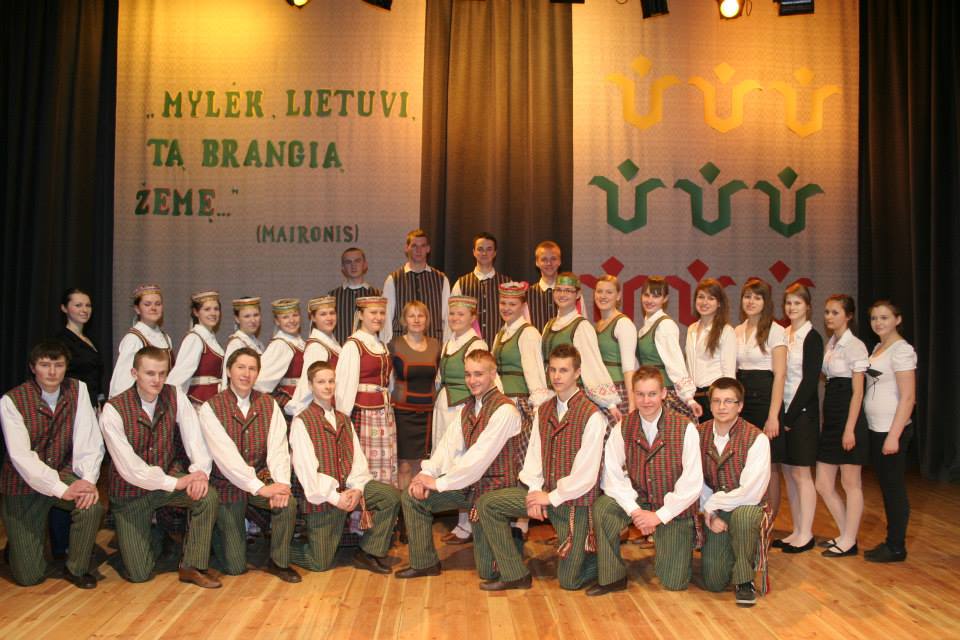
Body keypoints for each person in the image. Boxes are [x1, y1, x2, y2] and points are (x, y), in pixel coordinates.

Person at [477, 345, 606, 591]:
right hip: (544, 494)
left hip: (574, 503)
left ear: (577, 373)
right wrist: (535, 492)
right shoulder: (544, 409)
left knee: (569, 582)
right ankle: (514, 573)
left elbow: (586, 476)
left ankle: (597, 558)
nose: (556, 376)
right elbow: (534, 457)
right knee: (488, 504)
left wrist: (550, 497)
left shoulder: (592, 416)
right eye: (553, 369)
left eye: (564, 370)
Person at [395, 350, 524, 585]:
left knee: (487, 571)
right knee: (412, 497)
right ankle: (424, 562)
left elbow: (478, 458)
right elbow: (446, 447)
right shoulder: (467, 409)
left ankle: (512, 538)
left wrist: (440, 483)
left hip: (494, 490)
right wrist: (425, 474)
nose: (472, 380)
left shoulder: (506, 410)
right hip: (469, 486)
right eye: (468, 374)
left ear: (493, 374)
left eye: (478, 374)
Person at [99, 346, 221, 587]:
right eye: (150, 373)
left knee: (207, 496)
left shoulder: (174, 395)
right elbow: (130, 468)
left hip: (167, 479)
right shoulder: (113, 409)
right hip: (131, 490)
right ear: (134, 373)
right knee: (140, 574)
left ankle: (192, 566)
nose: (157, 380)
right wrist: (175, 482)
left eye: (162, 373)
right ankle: (149, 538)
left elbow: (194, 437)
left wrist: (199, 472)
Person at [0, 341, 105, 588]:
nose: (52, 372)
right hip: (22, 484)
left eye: (58, 365)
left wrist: (87, 481)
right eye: (45, 365)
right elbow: (21, 457)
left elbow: (89, 440)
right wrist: (60, 489)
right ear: (32, 368)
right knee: (29, 578)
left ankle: (76, 568)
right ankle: (17, 544)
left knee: (90, 505)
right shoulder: (11, 400)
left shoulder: (77, 389)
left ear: (66, 367)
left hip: (62, 472)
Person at [590, 366, 702, 595]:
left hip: (673, 505)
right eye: (640, 394)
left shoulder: (685, 428)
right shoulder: (623, 427)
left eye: (652, 394)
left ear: (663, 394)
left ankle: (672, 549)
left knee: (674, 582)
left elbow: (692, 483)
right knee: (603, 508)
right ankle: (612, 577)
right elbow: (611, 474)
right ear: (633, 395)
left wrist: (659, 516)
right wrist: (635, 511)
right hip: (639, 498)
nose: (646, 400)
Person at [197, 347, 300, 582]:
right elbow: (227, 458)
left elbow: (278, 448)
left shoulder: (268, 403)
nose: (246, 374)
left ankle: (279, 561)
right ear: (229, 371)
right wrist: (260, 488)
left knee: (287, 503)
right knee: (235, 567)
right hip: (226, 482)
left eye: (252, 369)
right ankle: (217, 535)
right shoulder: (210, 407)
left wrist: (281, 484)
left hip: (260, 474)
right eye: (241, 367)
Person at [289, 361, 401, 574]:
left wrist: (357, 489)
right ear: (311, 385)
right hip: (322, 496)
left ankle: (368, 552)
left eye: (331, 381)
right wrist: (335, 497)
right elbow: (306, 472)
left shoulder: (343, 419)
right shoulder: (302, 421)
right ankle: (280, 548)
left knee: (390, 496)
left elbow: (358, 459)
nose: (327, 386)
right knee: (319, 563)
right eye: (321, 382)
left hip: (349, 489)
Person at [698, 378, 771, 607]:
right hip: (714, 511)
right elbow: (696, 481)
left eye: (729, 401)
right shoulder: (698, 434)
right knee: (714, 582)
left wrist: (713, 504)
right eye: (717, 401)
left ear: (740, 406)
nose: (722, 407)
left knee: (744, 517)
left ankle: (744, 580)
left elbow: (752, 493)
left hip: (747, 506)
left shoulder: (757, 438)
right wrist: (709, 513)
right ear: (710, 405)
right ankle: (732, 552)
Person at [431, 295, 489, 543]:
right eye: (452, 313)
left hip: (462, 408)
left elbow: (483, 381)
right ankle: (461, 519)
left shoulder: (476, 344)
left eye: (461, 314)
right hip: (445, 408)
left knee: (463, 462)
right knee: (447, 461)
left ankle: (469, 523)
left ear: (472, 317)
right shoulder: (449, 342)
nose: (455, 318)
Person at [815, 294, 869, 558]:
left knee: (850, 483)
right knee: (823, 483)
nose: (829, 317)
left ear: (848, 316)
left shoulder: (855, 346)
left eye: (835, 312)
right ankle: (846, 534)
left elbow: (857, 392)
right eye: (827, 312)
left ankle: (848, 540)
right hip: (832, 417)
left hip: (849, 418)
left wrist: (850, 429)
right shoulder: (832, 343)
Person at [863, 300, 917, 563]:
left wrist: (894, 435)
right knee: (886, 487)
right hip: (877, 429)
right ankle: (891, 541)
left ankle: (896, 546)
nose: (878, 322)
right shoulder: (878, 348)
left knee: (894, 489)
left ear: (898, 319)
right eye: (874, 318)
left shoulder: (902, 350)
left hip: (891, 431)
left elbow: (908, 398)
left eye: (884, 317)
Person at [773, 284, 823, 553]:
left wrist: (790, 417)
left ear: (808, 307)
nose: (792, 308)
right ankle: (797, 529)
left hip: (802, 414)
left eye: (797, 303)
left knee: (802, 474)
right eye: (788, 303)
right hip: (784, 413)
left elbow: (809, 382)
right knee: (789, 473)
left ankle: (807, 533)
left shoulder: (812, 337)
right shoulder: (784, 334)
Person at [734, 278, 787, 519]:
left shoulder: (776, 330)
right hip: (743, 402)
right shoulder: (737, 330)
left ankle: (770, 522)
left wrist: (773, 416)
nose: (751, 301)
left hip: (766, 401)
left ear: (766, 302)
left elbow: (780, 375)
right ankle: (750, 518)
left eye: (757, 297)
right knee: (747, 463)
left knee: (770, 465)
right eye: (747, 296)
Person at [541, 272, 622, 422]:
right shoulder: (549, 325)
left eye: (568, 290)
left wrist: (609, 403)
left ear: (577, 294)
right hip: (552, 397)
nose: (562, 294)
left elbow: (591, 364)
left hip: (573, 399)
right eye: (559, 289)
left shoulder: (581, 326)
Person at [335, 296, 397, 487]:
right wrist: (343, 420)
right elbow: (345, 385)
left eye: (382, 313)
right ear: (361, 315)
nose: (378, 317)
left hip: (384, 412)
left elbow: (388, 381)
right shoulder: (353, 345)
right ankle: (366, 502)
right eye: (373, 312)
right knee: (366, 462)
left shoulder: (381, 344)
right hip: (364, 414)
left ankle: (384, 499)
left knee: (385, 462)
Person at [388, 301, 441, 492]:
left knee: (423, 464)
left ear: (427, 319)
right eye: (411, 315)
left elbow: (438, 379)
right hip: (402, 414)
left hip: (428, 415)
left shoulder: (436, 345)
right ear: (404, 320)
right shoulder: (394, 345)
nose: (416, 320)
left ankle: (416, 504)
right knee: (404, 465)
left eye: (421, 315)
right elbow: (387, 379)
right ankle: (403, 505)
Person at [636, 276, 700, 420]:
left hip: (665, 395)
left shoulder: (665, 325)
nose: (650, 300)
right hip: (650, 393)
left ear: (665, 299)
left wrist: (688, 397)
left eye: (656, 296)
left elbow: (675, 363)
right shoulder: (645, 327)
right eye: (646, 295)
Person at [382, 229, 450, 343]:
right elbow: (387, 317)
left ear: (428, 249)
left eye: (422, 246)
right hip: (401, 345)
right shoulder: (393, 279)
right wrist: (387, 346)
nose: (418, 250)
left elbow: (447, 316)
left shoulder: (441, 279)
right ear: (406, 248)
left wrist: (447, 344)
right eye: (414, 246)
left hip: (434, 344)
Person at [108, 284, 174, 399]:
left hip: (162, 399)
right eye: (147, 304)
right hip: (141, 400)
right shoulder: (134, 339)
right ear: (137, 309)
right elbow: (123, 379)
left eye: (158, 304)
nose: (153, 308)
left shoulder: (166, 338)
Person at [685, 279, 736, 422]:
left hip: (715, 398)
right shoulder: (691, 329)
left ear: (719, 303)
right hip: (694, 398)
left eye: (711, 298)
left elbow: (729, 374)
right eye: (701, 297)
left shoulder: (726, 331)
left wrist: (725, 402)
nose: (704, 302)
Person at [451, 232, 511, 344]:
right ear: (474, 252)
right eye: (480, 249)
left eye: (489, 249)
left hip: (500, 346)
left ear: (495, 253)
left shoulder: (507, 284)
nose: (484, 253)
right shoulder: (461, 284)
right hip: (469, 347)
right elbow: (453, 319)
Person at [167, 291, 224, 406]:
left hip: (213, 399)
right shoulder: (195, 339)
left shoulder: (210, 339)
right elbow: (181, 373)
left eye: (216, 309)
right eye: (207, 309)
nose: (213, 313)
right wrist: (167, 401)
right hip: (199, 402)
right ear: (196, 312)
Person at [287, 296, 342, 416]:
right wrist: (298, 409)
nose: (329, 318)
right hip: (322, 409)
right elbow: (307, 382)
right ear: (313, 317)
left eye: (332, 313)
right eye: (323, 314)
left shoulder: (331, 342)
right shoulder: (317, 347)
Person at [592, 275, 638, 416]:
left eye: (609, 292)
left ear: (618, 296)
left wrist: (632, 403)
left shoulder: (623, 324)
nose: (603, 296)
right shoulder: (597, 325)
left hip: (619, 392)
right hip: (600, 391)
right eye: (599, 291)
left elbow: (629, 368)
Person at [253, 298, 305, 415]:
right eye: (285, 317)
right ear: (277, 321)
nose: (292, 320)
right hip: (291, 401)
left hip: (302, 398)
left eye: (295, 315)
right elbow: (261, 382)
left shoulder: (300, 342)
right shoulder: (280, 344)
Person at [56, 287, 104, 406]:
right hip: (73, 403)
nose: (84, 310)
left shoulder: (91, 340)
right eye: (78, 305)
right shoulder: (60, 342)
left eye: (88, 305)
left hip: (92, 403)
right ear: (64, 308)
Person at [329, 247, 382, 345]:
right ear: (343, 268)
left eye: (357, 261)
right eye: (348, 262)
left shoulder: (378, 295)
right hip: (340, 350)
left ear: (365, 265)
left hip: (370, 350)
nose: (353, 265)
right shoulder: (332, 297)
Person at [221, 296, 266, 389]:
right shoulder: (236, 343)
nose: (253, 320)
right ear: (237, 319)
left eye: (256, 315)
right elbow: (227, 378)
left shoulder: (259, 344)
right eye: (247, 316)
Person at [527, 240, 561, 333]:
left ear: (559, 261)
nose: (549, 263)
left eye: (553, 259)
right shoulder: (526, 295)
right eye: (544, 259)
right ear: (537, 262)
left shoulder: (571, 293)